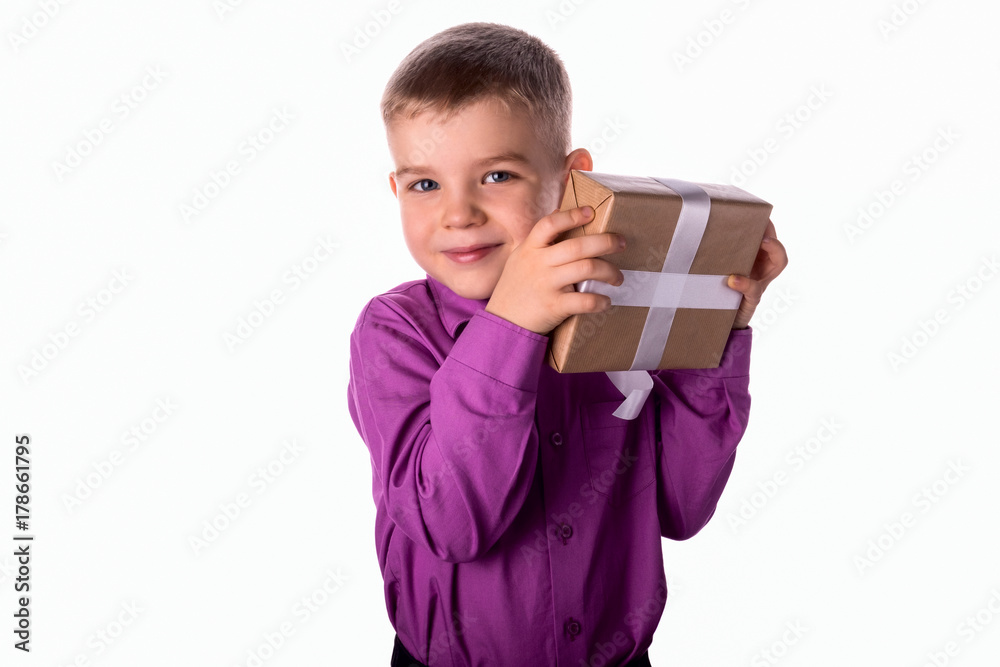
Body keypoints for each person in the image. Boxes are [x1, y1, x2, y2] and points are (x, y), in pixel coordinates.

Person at [347, 22, 788, 667]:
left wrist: (714, 330)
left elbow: (681, 507)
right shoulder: (394, 331)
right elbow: (452, 524)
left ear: (570, 179)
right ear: (396, 190)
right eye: (424, 184)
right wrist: (511, 328)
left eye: (496, 175)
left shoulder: (621, 306)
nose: (459, 213)